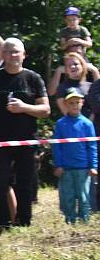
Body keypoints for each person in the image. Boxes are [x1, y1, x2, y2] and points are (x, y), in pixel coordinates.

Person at [0, 38, 50, 232]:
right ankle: (3, 225)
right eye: (8, 52)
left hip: (27, 139)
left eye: (16, 52)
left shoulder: (33, 78)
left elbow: (46, 110)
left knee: (25, 184)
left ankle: (24, 223)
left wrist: (24, 108)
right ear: (2, 55)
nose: (12, 55)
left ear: (24, 55)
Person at [52, 88, 97, 223]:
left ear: (82, 103)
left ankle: (85, 220)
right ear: (66, 104)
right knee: (68, 197)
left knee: (84, 196)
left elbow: (92, 146)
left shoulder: (87, 124)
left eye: (77, 102)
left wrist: (93, 165)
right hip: (66, 168)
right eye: (71, 103)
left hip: (83, 167)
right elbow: (57, 146)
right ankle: (70, 219)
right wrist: (58, 165)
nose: (74, 105)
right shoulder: (60, 124)